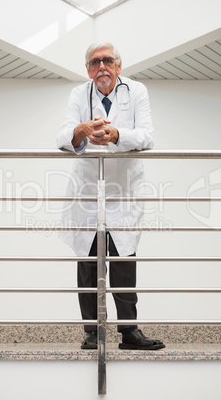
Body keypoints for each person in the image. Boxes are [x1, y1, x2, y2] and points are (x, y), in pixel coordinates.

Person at [57, 42, 165, 351]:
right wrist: (81, 130)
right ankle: (92, 332)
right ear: (88, 70)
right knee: (89, 261)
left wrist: (116, 135)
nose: (101, 66)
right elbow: (63, 136)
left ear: (118, 66)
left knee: (123, 260)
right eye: (95, 62)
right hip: (88, 191)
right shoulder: (79, 94)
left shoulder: (137, 91)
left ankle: (129, 331)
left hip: (124, 190)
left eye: (107, 61)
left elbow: (147, 136)